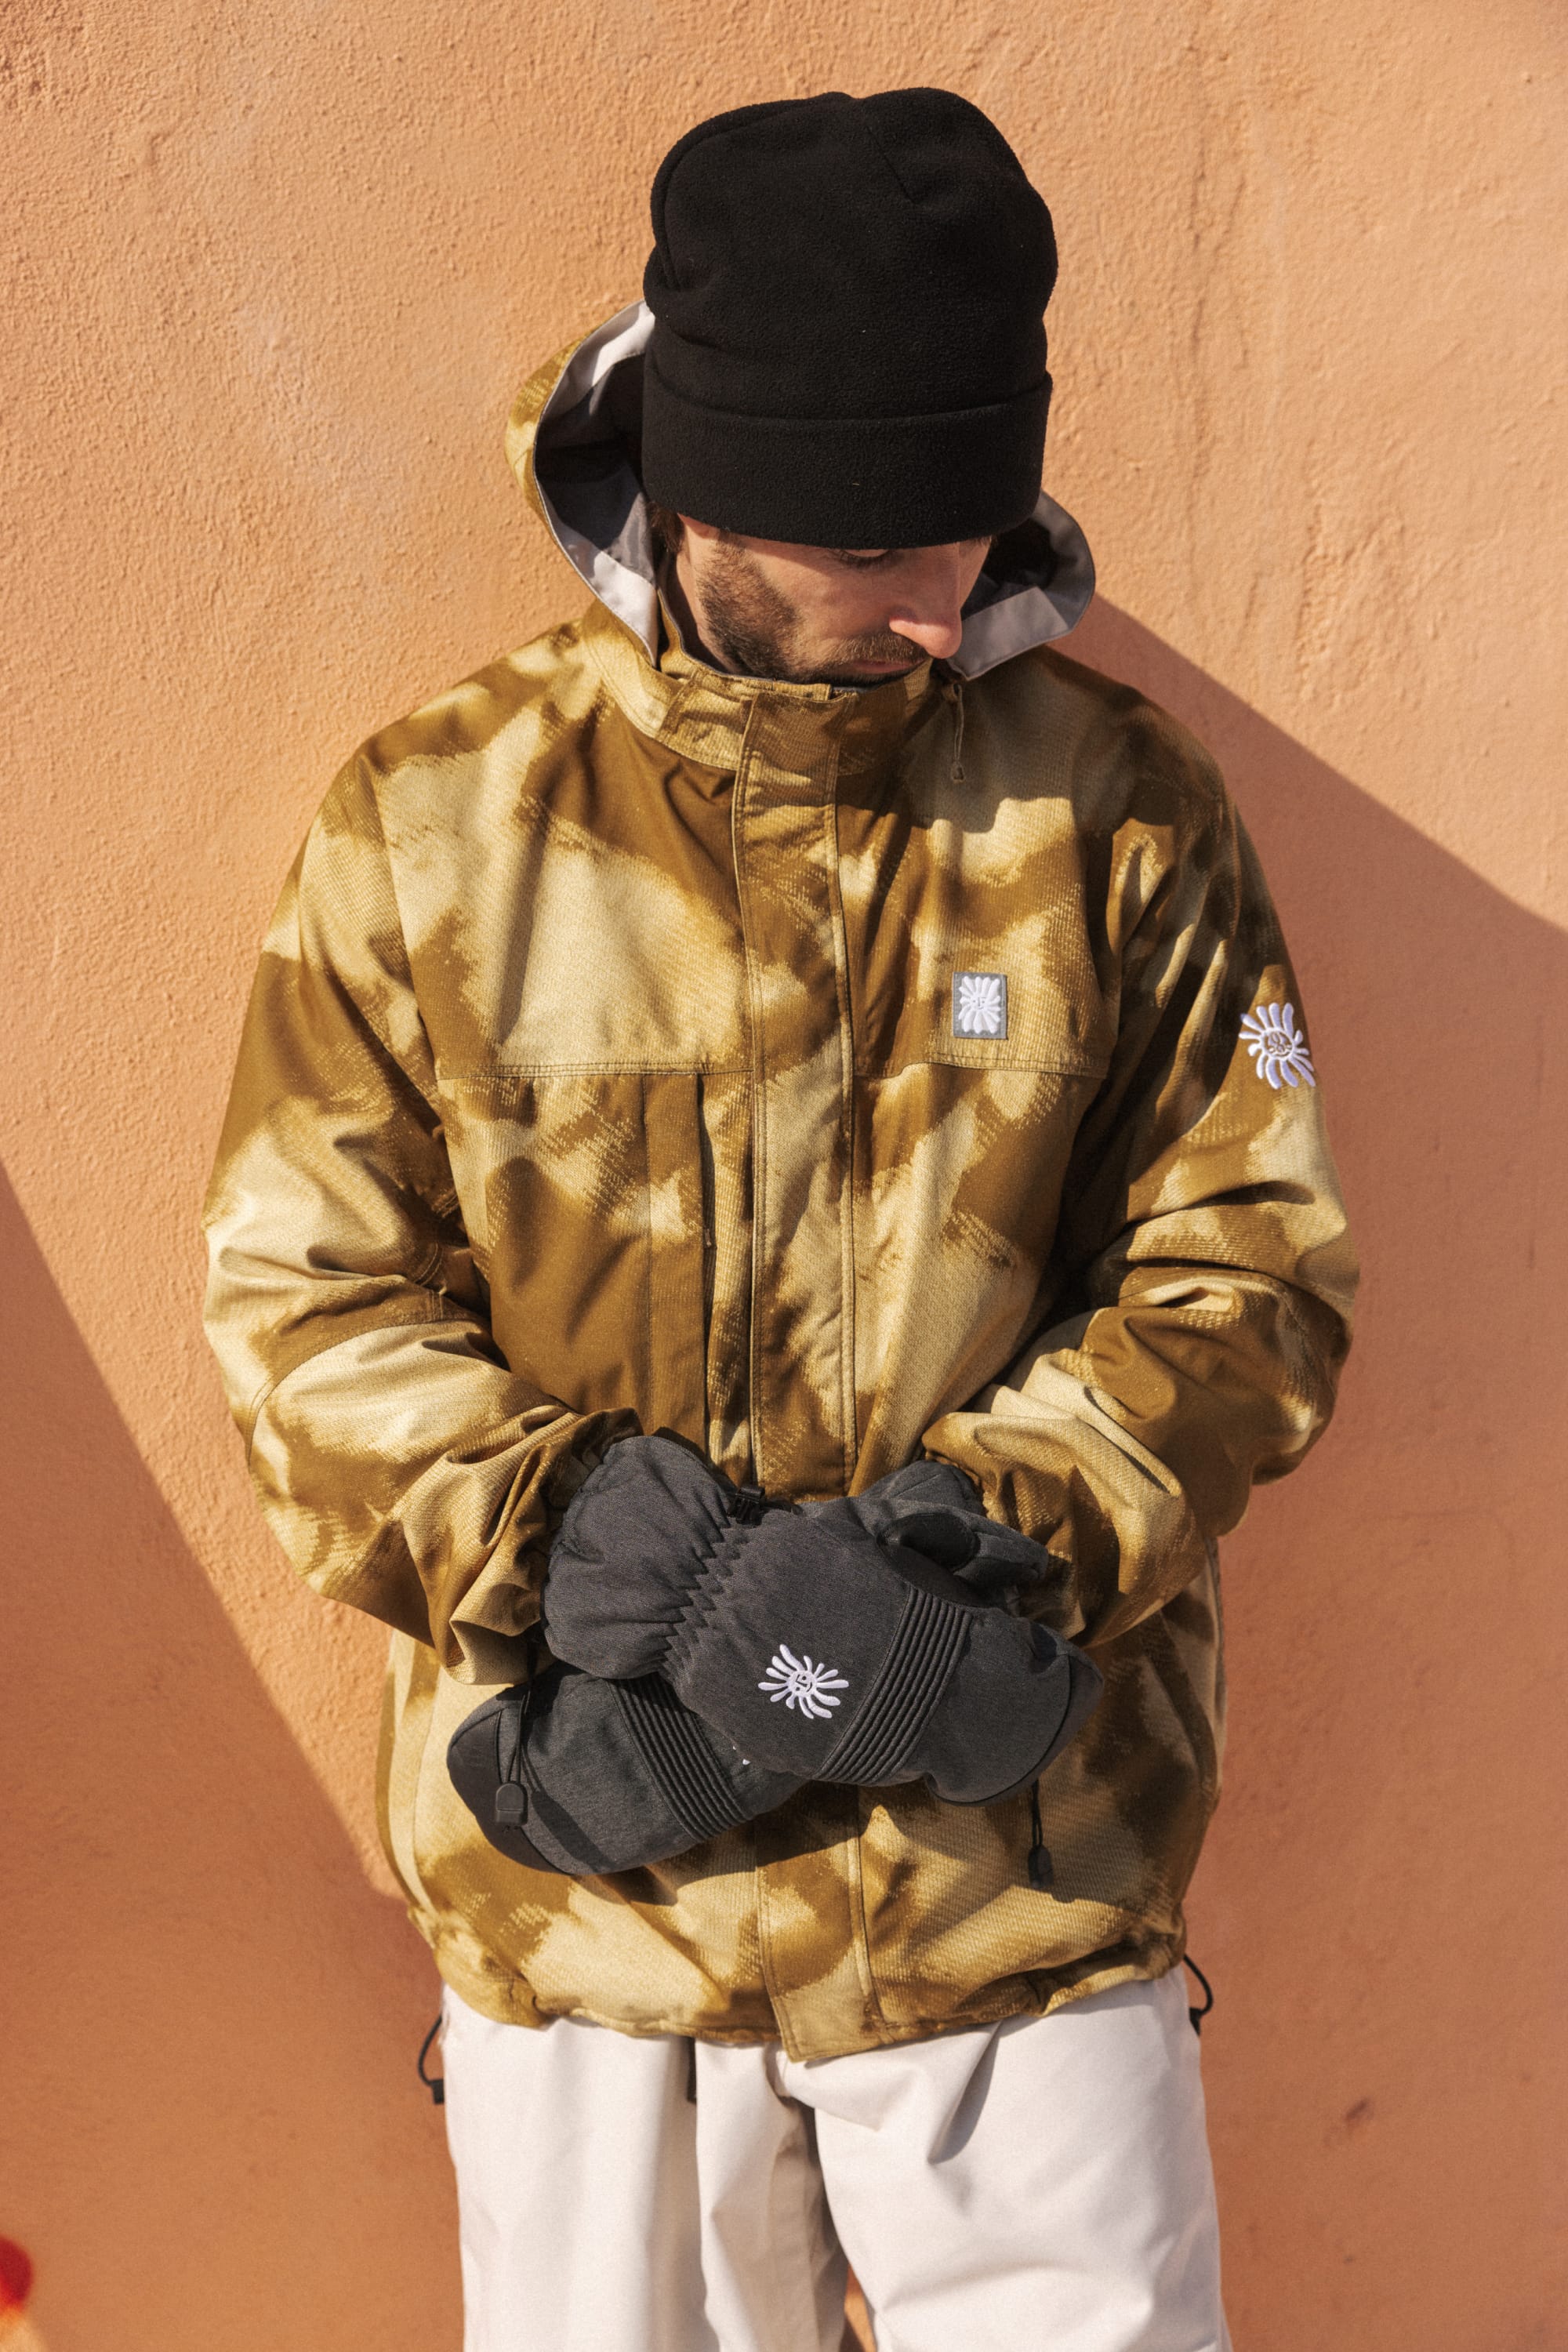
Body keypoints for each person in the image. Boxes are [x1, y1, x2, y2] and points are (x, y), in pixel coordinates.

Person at [202, 88, 1356, 2352]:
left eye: (976, 523)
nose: (949, 604)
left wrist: (958, 1561)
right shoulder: (435, 827)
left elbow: (1254, 1266)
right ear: (715, 488)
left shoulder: (1121, 811)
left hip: (1018, 1887)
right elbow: (303, 1305)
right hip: (598, 1902)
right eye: (886, 544)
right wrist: (607, 1553)